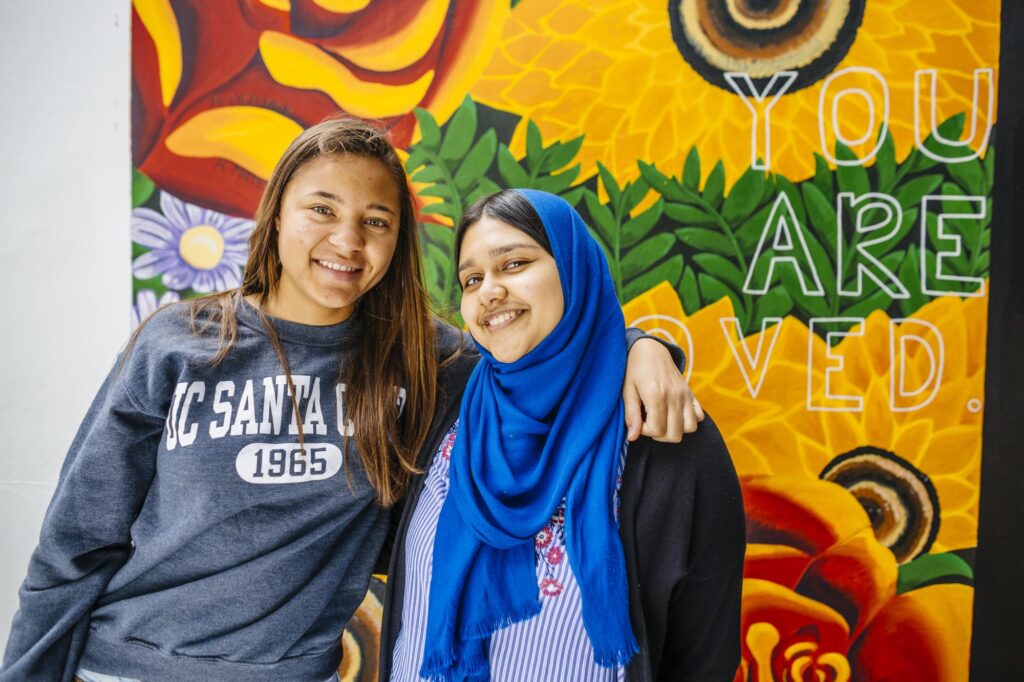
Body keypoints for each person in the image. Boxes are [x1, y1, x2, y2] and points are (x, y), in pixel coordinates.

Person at [2, 118, 699, 681]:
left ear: (397, 242)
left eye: (376, 221)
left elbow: (545, 348)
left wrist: (644, 346)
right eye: (323, 210)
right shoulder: (176, 344)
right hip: (127, 667)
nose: (347, 240)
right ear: (277, 216)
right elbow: (75, 543)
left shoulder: (427, 359)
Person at [380, 189, 746, 682]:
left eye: (513, 264)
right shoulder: (444, 398)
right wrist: (644, 344)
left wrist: (637, 346)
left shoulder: (666, 440)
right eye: (472, 279)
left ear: (575, 269)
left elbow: (704, 656)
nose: (489, 290)